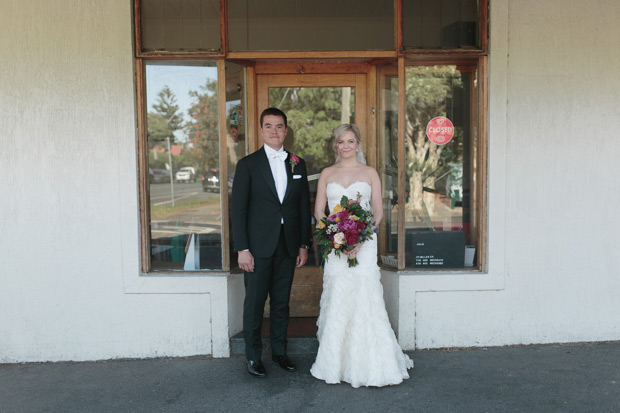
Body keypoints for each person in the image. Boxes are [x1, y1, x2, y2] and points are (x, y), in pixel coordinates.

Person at [310, 124, 414, 388]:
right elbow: (319, 212)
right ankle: (336, 362)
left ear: (358, 144)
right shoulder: (326, 173)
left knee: (366, 295)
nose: (345, 146)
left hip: (364, 244)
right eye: (341, 142)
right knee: (339, 294)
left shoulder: (369, 173)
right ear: (335, 146)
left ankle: (373, 362)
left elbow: (377, 211)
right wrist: (336, 236)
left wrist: (360, 237)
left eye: (351, 141)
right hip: (335, 246)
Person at [231, 107, 311, 378]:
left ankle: (279, 352)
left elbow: (302, 206)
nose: (274, 131)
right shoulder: (248, 164)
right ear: (261, 130)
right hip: (256, 248)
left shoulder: (297, 163)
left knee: (280, 303)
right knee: (254, 304)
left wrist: (303, 244)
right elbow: (238, 210)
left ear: (286, 131)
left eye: (279, 126)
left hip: (288, 246)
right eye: (269, 126)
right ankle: (253, 357)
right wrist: (242, 249)